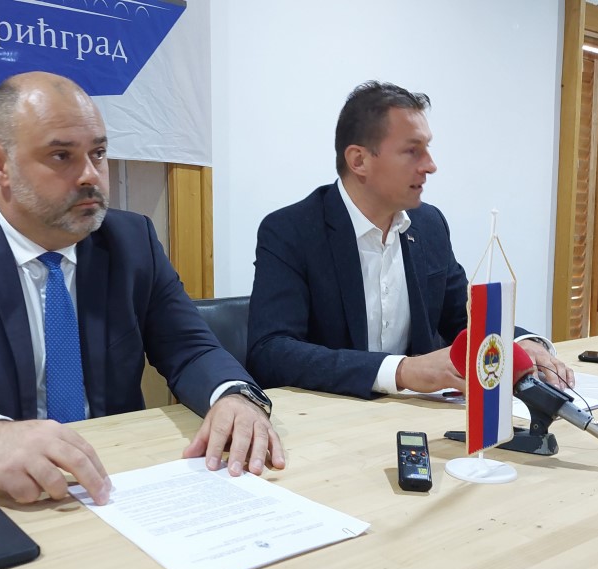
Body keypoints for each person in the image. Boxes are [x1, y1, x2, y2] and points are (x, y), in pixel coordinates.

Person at [0, 71, 284, 506]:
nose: (90, 176)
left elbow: (190, 348)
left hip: (119, 481)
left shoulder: (131, 240)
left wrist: (231, 395)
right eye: (62, 156)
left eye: (99, 153)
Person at [246, 81, 573, 400]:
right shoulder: (291, 230)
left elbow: (464, 318)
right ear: (359, 160)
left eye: (428, 149)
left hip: (415, 417)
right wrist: (401, 371)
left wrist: (522, 343)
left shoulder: (428, 225)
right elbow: (271, 351)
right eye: (412, 151)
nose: (430, 166)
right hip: (332, 417)